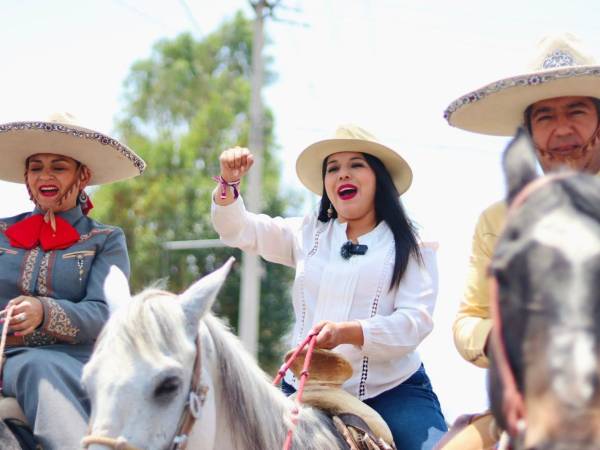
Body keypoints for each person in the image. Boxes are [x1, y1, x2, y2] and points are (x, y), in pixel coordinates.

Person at [211, 124, 447, 450]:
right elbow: (240, 230)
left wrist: (348, 332)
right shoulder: (308, 233)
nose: (342, 175)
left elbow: (414, 324)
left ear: (379, 177)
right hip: (305, 389)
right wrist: (228, 183)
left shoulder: (414, 246)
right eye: (333, 168)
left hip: (392, 392)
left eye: (356, 165)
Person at [439, 33, 600, 448]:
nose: (561, 129)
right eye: (544, 117)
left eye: (576, 111)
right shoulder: (497, 220)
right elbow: (468, 319)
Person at [0, 112, 145, 449]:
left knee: (35, 364)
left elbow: (105, 314)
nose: (45, 175)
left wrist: (44, 312)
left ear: (83, 176)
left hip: (72, 364)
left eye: (59, 167)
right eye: (36, 167)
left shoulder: (106, 239)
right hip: (4, 360)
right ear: (26, 176)